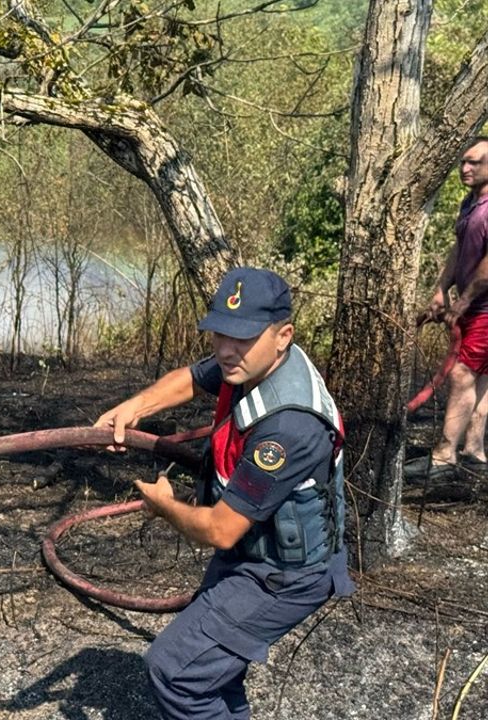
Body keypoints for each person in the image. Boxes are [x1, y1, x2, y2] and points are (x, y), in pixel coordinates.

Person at [95, 267, 354, 720]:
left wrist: (163, 505)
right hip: (256, 550)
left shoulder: (287, 428)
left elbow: (219, 529)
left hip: (283, 576)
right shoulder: (252, 361)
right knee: (212, 670)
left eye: (242, 338)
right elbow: (195, 377)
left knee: (175, 671)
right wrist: (134, 407)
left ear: (283, 335)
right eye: (219, 334)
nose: (225, 350)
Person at [405, 136, 488, 483]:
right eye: (462, 162)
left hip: (485, 306)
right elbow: (459, 249)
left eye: (475, 162)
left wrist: (465, 299)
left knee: (461, 374)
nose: (465, 169)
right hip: (476, 304)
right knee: (482, 376)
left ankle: (443, 456)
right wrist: (441, 289)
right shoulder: (470, 204)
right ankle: (473, 451)